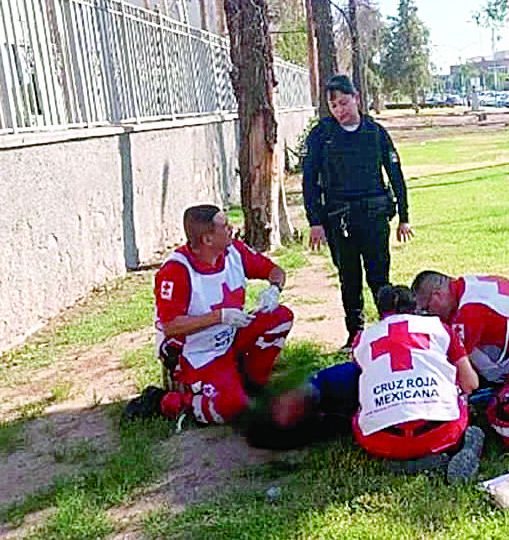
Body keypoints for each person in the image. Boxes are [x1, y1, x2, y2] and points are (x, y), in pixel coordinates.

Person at [269, 286, 485, 483]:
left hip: (382, 441)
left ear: (379, 311)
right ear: (415, 307)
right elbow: (471, 384)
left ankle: (399, 460)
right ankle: (463, 446)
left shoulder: (363, 339)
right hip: (439, 433)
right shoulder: (440, 328)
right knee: (459, 397)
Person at [123, 204, 293, 425]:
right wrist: (219, 316)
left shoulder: (234, 251)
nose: (232, 228)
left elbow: (275, 271)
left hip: (229, 338)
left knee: (281, 317)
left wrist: (274, 289)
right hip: (196, 353)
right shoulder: (176, 270)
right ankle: (166, 401)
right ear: (207, 239)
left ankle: (252, 384)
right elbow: (170, 325)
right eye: (225, 226)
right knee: (234, 407)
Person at [303, 74, 413, 351]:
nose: (340, 110)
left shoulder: (375, 133)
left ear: (356, 99)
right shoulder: (322, 135)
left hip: (374, 216)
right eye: (334, 105)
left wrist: (404, 216)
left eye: (344, 102)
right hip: (339, 218)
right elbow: (309, 180)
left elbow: (395, 173)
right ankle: (355, 335)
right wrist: (315, 221)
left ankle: (388, 330)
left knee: (379, 276)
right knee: (349, 278)